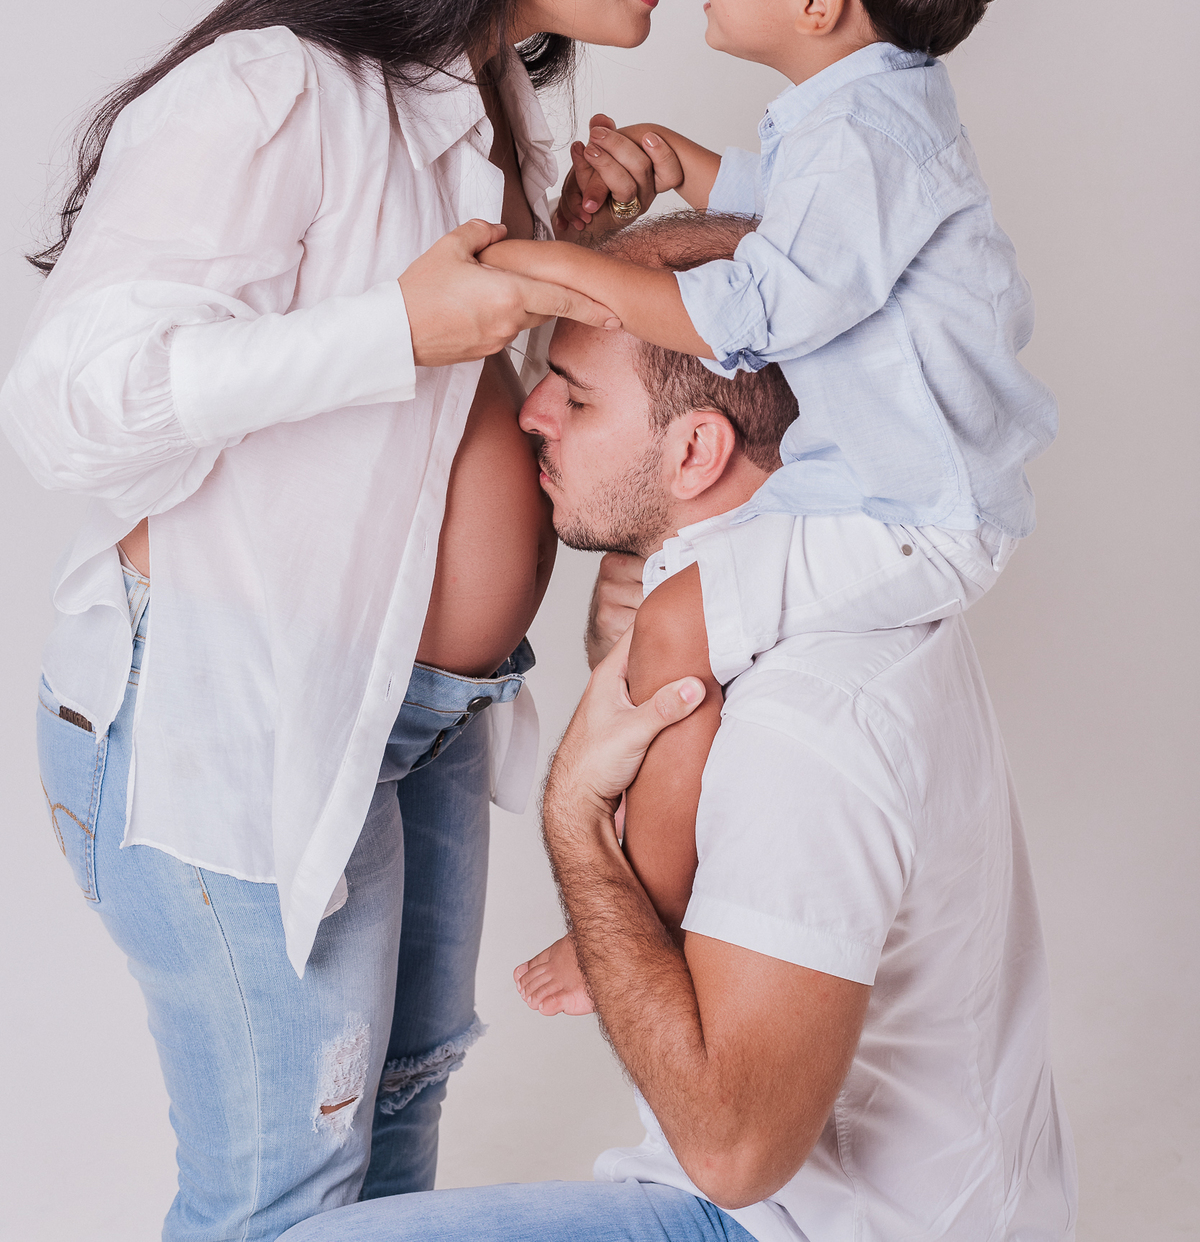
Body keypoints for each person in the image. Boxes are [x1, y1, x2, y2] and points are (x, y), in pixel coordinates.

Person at [0, 0, 704, 1240]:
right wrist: (398, 326)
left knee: (388, 1172)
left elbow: (429, 421)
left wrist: (559, 258)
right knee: (282, 1205)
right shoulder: (273, 91)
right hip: (232, 711)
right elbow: (67, 407)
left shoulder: (494, 95)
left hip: (417, 713)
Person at [283, 211, 1076, 1242]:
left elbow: (733, 1154)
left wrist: (574, 821)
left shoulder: (804, 723)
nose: (533, 414)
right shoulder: (778, 584)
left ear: (697, 448)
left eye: (575, 395)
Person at [478, 0, 1057, 1002]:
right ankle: (672, 870)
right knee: (656, 596)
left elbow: (757, 311)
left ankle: (637, 921)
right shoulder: (861, 111)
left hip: (911, 511)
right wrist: (683, 166)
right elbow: (798, 213)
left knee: (675, 628)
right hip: (885, 492)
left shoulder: (863, 135)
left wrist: (566, 271)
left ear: (816, 0)